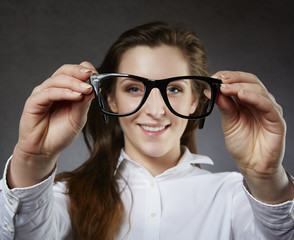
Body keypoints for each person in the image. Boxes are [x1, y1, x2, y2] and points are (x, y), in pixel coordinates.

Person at [0, 22, 293, 240]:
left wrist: (267, 177)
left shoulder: (233, 197)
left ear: (196, 100)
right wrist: (32, 159)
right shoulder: (66, 196)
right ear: (110, 98)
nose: (155, 109)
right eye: (134, 88)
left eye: (174, 88)